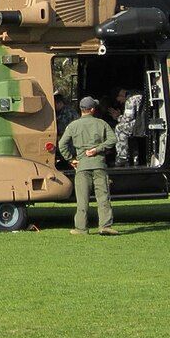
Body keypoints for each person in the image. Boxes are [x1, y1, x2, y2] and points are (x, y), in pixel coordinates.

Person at [59, 96, 118, 236]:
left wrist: (71, 160)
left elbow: (62, 144)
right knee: (103, 197)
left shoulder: (73, 125)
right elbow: (113, 139)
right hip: (99, 165)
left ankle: (81, 228)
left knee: (82, 199)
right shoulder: (101, 123)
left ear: (81, 109)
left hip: (82, 166)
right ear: (92, 109)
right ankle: (105, 226)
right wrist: (98, 149)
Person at [113, 88, 145, 167]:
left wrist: (117, 117)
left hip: (139, 125)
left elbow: (127, 118)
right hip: (142, 123)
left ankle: (122, 157)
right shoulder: (140, 94)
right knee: (130, 137)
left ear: (120, 95)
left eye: (118, 99)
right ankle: (135, 158)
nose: (120, 102)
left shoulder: (131, 99)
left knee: (119, 128)